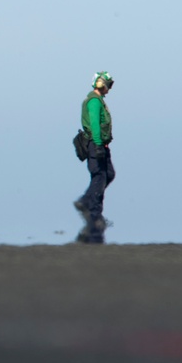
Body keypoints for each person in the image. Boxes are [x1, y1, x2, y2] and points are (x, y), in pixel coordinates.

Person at [74, 71, 115, 243]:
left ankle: (93, 212)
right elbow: (94, 125)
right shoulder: (94, 102)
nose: (109, 88)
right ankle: (88, 205)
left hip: (100, 145)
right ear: (100, 84)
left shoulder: (98, 101)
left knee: (108, 175)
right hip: (95, 144)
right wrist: (98, 144)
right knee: (99, 176)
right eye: (108, 84)